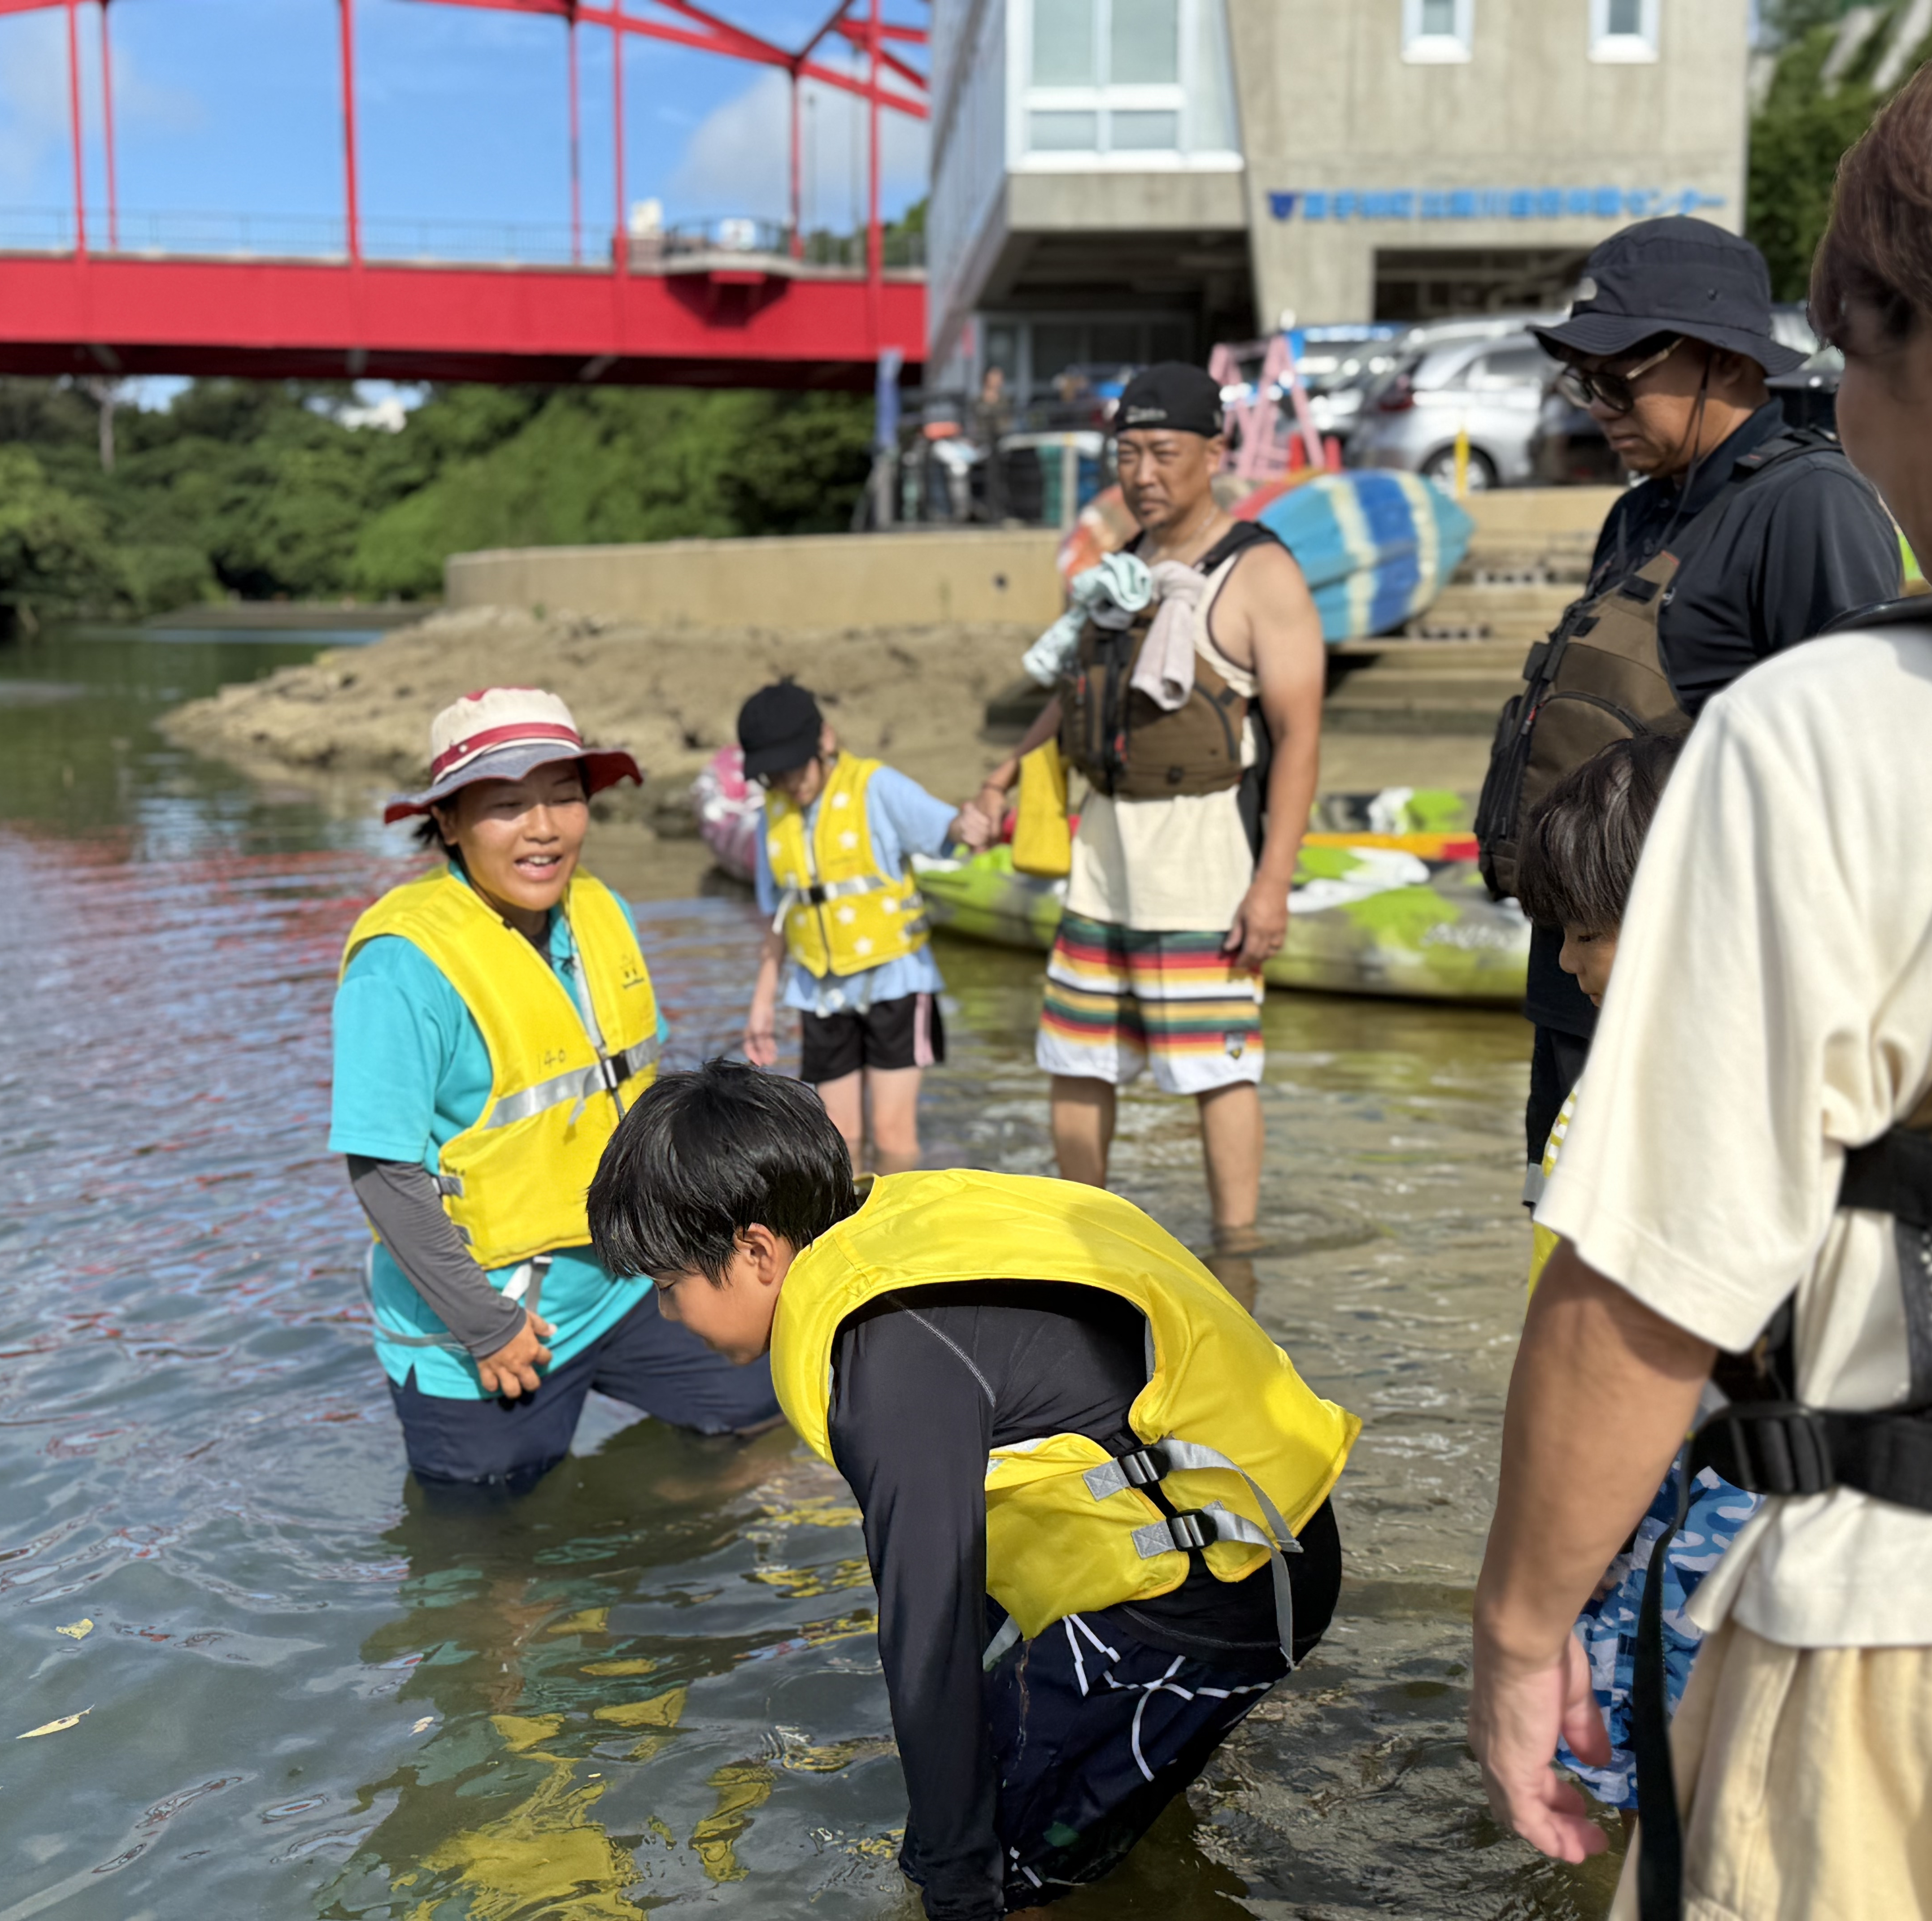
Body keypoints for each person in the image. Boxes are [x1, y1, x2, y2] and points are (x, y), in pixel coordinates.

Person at [1472, 13, 1932, 1915]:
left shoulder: (1850, 716)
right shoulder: (1685, 543)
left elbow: (1649, 1279)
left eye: (1852, 355)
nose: (1843, 408)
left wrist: (1520, 1627)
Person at [587, 1060, 1356, 1921]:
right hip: (1272, 1529)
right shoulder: (890, 1229)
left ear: (757, 1249)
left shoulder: (884, 1367)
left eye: (667, 1287)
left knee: (990, 1868)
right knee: (991, 1799)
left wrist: (960, 1892)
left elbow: (928, 1639)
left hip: (1222, 1593)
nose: (663, 1315)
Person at [1480, 215, 1905, 1183]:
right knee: (1565, 1244)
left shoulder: (1810, 504)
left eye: (1618, 377)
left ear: (1719, 360)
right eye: (1582, 381)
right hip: (1574, 976)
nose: (1597, 405)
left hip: (1693, 990)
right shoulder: (1639, 513)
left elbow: (1863, 770)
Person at [329, 687, 780, 1501]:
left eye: (565, 797)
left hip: (630, 1281)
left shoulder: (601, 911)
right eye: (506, 805)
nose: (544, 827)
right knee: (487, 1552)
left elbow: (647, 1093)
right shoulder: (400, 966)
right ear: (451, 823)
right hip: (491, 1323)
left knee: (763, 1408)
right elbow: (381, 1175)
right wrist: (485, 1324)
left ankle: (661, 1515)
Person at [966, 361, 1327, 1256]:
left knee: (1219, 1067)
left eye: (1163, 452)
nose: (1142, 474)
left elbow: (1301, 737)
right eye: (1127, 454)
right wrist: (1005, 775)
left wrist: (1271, 886)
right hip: (1104, 854)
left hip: (1202, 859)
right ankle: (1083, 1241)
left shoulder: (1261, 572)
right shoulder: (1118, 571)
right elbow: (1074, 687)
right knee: (1075, 1057)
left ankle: (1235, 1254)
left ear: (1214, 453)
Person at [1513, 734, 1761, 1817]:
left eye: (1585, 932)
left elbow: (1627, 1351)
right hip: (1670, 1486)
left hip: (1685, 1495)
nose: (1568, 964)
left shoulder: (1682, 1103)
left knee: (1643, 1764)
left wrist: (1538, 1597)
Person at [737, 679, 968, 1176]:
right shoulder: (772, 817)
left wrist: (971, 825)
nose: (788, 781)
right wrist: (763, 1004)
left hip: (896, 981)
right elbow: (779, 915)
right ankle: (854, 1234)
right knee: (840, 1139)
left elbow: (946, 829)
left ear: (825, 739)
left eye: (794, 765)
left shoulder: (875, 786)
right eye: (773, 773)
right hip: (822, 990)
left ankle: (906, 1233)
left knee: (893, 1135)